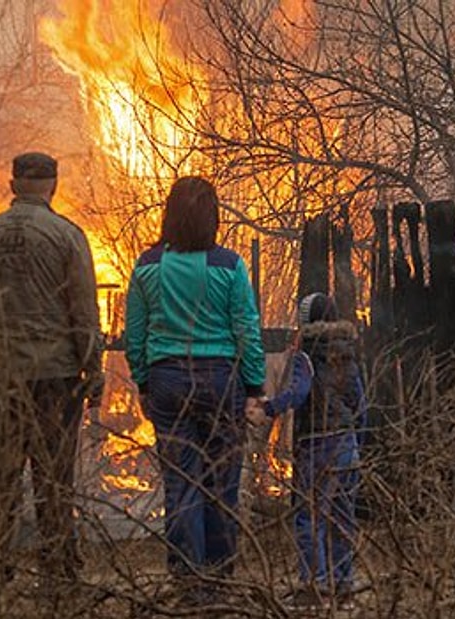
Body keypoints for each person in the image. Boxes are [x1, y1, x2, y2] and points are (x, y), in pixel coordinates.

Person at [0, 152, 104, 585]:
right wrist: (93, 368)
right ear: (53, 185)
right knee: (54, 476)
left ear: (13, 185)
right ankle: (58, 569)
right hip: (56, 377)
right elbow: (83, 310)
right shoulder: (67, 235)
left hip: (4, 375)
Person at [124, 176, 266, 600]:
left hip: (167, 381)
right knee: (221, 485)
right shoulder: (230, 266)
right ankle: (219, 579)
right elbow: (246, 330)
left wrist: (143, 381)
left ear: (168, 215)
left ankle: (189, 583)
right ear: (213, 217)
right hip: (221, 382)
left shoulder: (147, 266)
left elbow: (135, 333)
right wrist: (254, 386)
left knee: (181, 483)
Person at [247, 292, 365, 611]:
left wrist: (268, 408)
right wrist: (358, 442)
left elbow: (298, 394)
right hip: (347, 445)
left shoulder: (307, 355)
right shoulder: (347, 355)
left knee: (309, 517)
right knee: (342, 518)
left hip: (317, 447)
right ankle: (343, 586)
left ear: (305, 323)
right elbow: (360, 405)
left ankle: (315, 586)